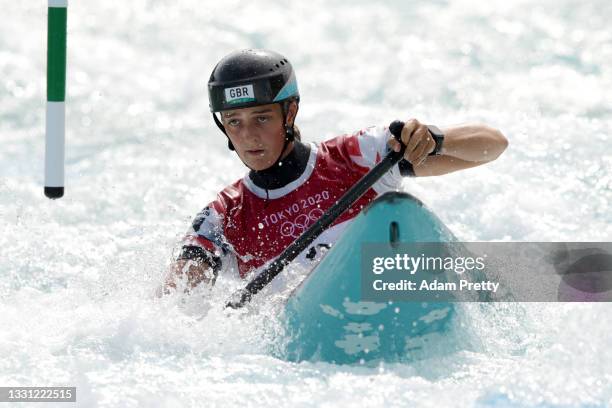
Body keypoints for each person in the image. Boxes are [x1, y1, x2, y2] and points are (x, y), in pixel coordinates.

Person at [160, 49, 508, 295]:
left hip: (398, 286)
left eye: (262, 118)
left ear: (290, 111)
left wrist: (434, 139)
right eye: (234, 122)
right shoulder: (223, 216)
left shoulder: (355, 156)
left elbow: (495, 144)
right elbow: (173, 306)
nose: (248, 136)